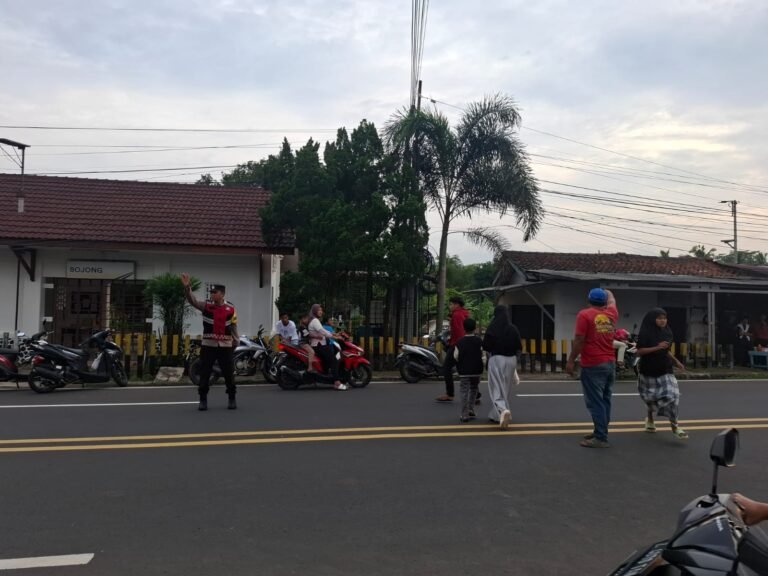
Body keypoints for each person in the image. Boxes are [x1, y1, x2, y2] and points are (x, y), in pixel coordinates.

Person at [566, 288, 618, 448]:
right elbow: (612, 300)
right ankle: (600, 431)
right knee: (605, 399)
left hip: (593, 363)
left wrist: (570, 360)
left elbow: (579, 340)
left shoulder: (584, 315)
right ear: (604, 302)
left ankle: (601, 437)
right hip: (610, 362)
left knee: (595, 401)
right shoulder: (611, 314)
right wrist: (607, 291)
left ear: (588, 300)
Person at [181, 274, 239, 411]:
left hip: (225, 346)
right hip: (209, 345)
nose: (212, 294)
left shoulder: (230, 309)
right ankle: (203, 399)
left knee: (229, 373)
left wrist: (236, 341)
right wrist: (187, 288)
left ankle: (232, 398)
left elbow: (233, 326)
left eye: (215, 292)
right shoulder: (206, 306)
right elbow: (192, 300)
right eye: (211, 292)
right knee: (205, 372)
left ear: (222, 294)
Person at [635, 308, 688, 439]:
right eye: (659, 318)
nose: (662, 320)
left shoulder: (667, 332)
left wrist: (676, 362)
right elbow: (639, 352)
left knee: (673, 396)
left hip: (665, 369)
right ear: (653, 320)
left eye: (664, 318)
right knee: (650, 398)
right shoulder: (645, 333)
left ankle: (675, 427)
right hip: (648, 369)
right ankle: (650, 420)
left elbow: (666, 350)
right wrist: (656, 347)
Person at [482, 304, 522, 430]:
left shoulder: (493, 327)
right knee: (505, 388)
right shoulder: (513, 328)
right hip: (512, 360)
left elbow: (486, 346)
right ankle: (495, 415)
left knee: (495, 388)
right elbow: (519, 346)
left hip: (497, 359)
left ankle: (502, 410)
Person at [436, 296, 470, 403]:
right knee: (463, 370)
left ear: (457, 305)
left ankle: (450, 394)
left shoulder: (457, 315)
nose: (450, 306)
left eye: (451, 304)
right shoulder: (464, 313)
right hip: (462, 344)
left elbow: (459, 332)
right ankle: (476, 394)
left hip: (457, 345)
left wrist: (453, 344)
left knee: (446, 368)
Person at [308, 303, 347, 390]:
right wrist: (334, 336)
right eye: (319, 310)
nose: (321, 311)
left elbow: (323, 331)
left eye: (321, 310)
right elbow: (322, 331)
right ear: (314, 311)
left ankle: (325, 378)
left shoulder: (315, 320)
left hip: (320, 345)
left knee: (327, 362)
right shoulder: (315, 321)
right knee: (334, 361)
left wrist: (335, 334)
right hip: (319, 346)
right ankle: (337, 383)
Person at [454, 317, 484, 422]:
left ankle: (464, 414)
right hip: (476, 370)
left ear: (464, 328)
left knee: (464, 391)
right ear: (475, 328)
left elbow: (456, 356)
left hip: (464, 371)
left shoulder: (459, 342)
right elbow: (483, 356)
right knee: (474, 389)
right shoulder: (479, 341)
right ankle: (471, 408)